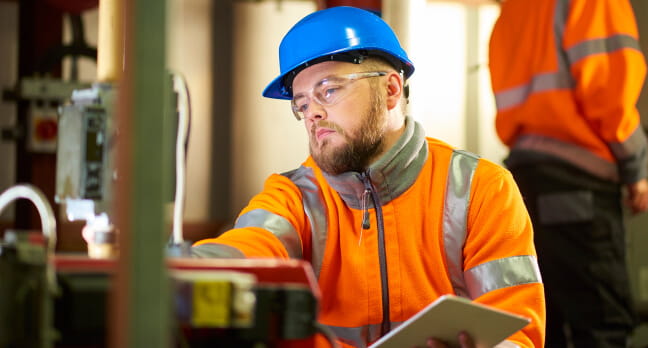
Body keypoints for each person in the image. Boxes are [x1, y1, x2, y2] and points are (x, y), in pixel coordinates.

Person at [193, 6, 545, 348]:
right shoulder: (294, 197)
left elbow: (517, 330)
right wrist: (177, 270)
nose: (313, 112)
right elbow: (244, 248)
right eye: (301, 104)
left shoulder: (479, 188)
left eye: (328, 90)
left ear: (391, 90)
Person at [488, 0, 648, 347]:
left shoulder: (513, 11)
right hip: (579, 181)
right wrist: (636, 166)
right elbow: (609, 95)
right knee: (600, 323)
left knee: (545, 323)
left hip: (524, 182)